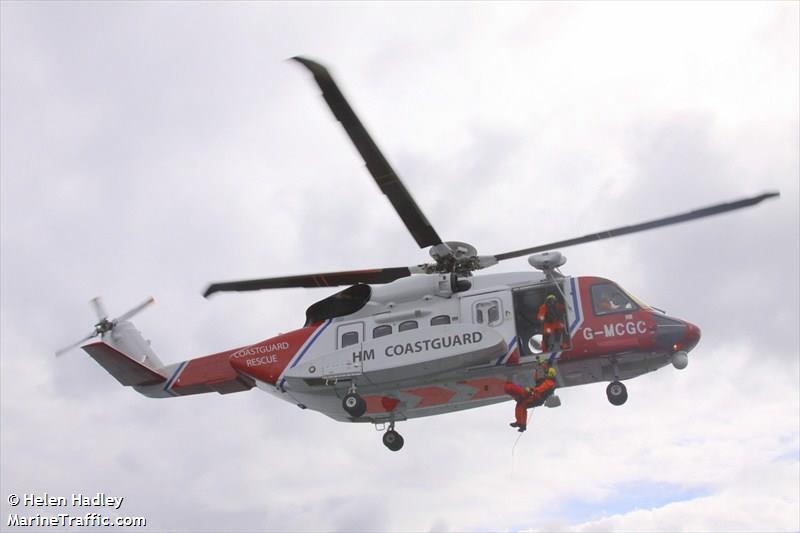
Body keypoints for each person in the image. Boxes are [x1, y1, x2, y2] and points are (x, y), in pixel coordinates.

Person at [503, 366, 557, 432]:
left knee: (521, 403)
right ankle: (522, 424)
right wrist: (536, 371)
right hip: (536, 398)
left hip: (536, 398)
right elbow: (537, 381)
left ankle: (520, 423)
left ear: (549, 374)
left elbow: (539, 389)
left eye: (546, 372)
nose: (545, 373)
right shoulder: (548, 381)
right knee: (522, 405)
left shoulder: (549, 382)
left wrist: (531, 390)